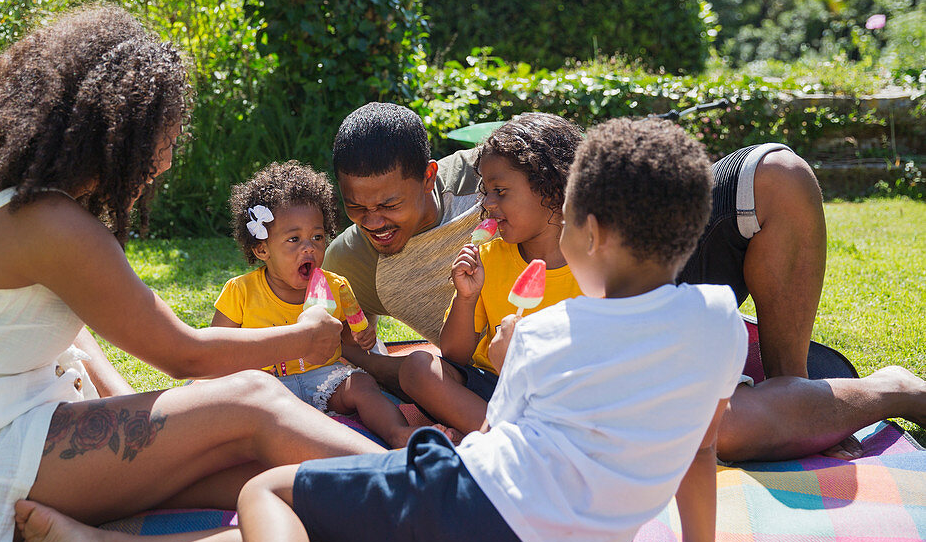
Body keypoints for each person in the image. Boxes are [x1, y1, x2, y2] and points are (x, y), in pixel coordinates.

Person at [0, 5, 384, 542]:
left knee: (252, 471)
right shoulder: (48, 224)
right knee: (255, 400)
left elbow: (73, 340)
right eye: (159, 144)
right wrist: (302, 337)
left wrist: (144, 418)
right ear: (112, 132)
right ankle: (439, 494)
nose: (162, 164)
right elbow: (184, 355)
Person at [232, 117, 769, 542]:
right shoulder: (723, 321)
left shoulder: (546, 334)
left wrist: (515, 354)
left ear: (588, 228)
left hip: (475, 515)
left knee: (266, 492)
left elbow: (511, 452)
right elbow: (700, 451)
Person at [324, 103, 926, 462]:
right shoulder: (368, 257)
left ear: (430, 176)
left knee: (779, 172)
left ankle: (795, 385)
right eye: (356, 208)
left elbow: (550, 156)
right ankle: (817, 397)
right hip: (554, 379)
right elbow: (373, 352)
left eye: (389, 203)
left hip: (628, 293)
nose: (373, 220)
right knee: (715, 433)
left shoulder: (484, 175)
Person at [212, 161, 423, 447]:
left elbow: (348, 340)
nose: (309, 247)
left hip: (323, 376)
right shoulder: (240, 291)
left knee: (362, 386)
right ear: (262, 249)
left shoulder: (337, 286)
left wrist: (363, 337)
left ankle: (398, 433)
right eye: (294, 239)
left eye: (317, 237)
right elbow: (218, 348)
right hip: (266, 386)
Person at [398, 113, 583, 435]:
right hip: (493, 388)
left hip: (566, 395)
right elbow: (455, 354)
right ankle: (503, 436)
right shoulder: (490, 258)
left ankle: (510, 438)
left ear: (552, 191)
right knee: (417, 368)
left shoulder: (594, 266)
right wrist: (467, 297)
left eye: (500, 191)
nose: (487, 202)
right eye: (486, 191)